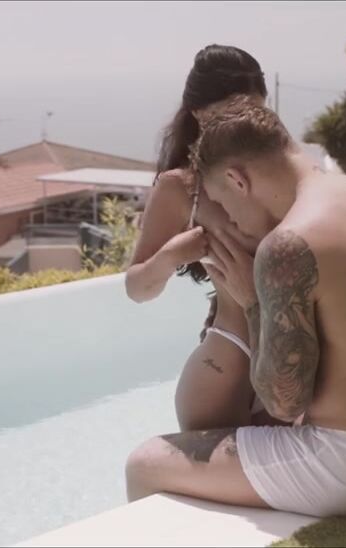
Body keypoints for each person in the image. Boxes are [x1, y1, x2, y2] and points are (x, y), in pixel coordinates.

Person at [124, 95, 346, 517]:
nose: (232, 221)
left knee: (145, 462)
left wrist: (251, 301)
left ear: (237, 180)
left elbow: (285, 402)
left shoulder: (288, 243)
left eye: (224, 204)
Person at [125, 45, 282, 431]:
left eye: (254, 112)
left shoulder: (286, 175)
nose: (240, 128)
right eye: (227, 115)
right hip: (229, 357)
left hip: (294, 356)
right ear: (198, 113)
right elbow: (136, 288)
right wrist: (170, 256)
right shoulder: (182, 188)